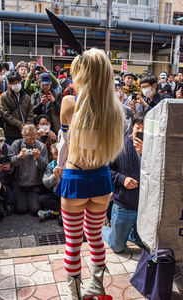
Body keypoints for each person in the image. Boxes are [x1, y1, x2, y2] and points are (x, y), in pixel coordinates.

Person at [54, 48, 124, 299]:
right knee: (95, 238)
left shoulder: (69, 103)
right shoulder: (115, 110)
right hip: (102, 181)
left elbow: (65, 142)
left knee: (73, 243)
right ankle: (96, 286)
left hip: (75, 179)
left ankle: (75, 294)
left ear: (82, 74)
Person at [102, 112, 145, 253]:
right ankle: (101, 229)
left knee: (143, 243)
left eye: (144, 129)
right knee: (117, 246)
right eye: (138, 128)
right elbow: (107, 170)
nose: (141, 132)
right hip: (124, 206)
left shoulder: (154, 149)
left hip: (145, 209)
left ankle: (131, 233)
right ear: (132, 127)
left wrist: (145, 153)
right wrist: (123, 179)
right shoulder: (120, 146)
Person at [10, 124, 48, 216]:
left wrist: (38, 158)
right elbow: (10, 162)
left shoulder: (41, 146)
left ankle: (31, 200)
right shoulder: (17, 144)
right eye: (29, 137)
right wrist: (19, 157)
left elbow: (44, 167)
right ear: (23, 136)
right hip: (20, 185)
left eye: (34, 137)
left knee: (35, 210)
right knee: (21, 210)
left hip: (35, 185)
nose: (33, 140)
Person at [0, 71, 34, 145]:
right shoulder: (4, 97)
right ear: (9, 84)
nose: (16, 85)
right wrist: (20, 125)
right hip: (11, 133)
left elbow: (30, 112)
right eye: (14, 83)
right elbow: (5, 115)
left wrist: (27, 125)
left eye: (18, 82)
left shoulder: (26, 96)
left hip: (26, 133)